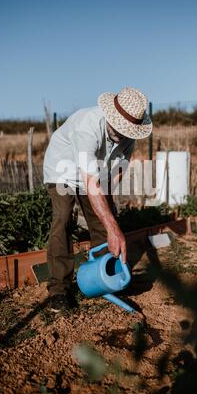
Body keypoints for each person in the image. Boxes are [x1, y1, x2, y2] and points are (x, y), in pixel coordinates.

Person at [43, 86, 153, 313]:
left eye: (128, 130)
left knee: (103, 222)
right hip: (63, 170)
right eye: (121, 128)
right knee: (63, 219)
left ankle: (104, 279)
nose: (123, 134)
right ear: (111, 115)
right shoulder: (87, 126)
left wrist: (109, 217)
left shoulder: (128, 136)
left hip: (94, 174)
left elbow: (117, 172)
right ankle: (59, 290)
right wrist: (114, 229)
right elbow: (90, 182)